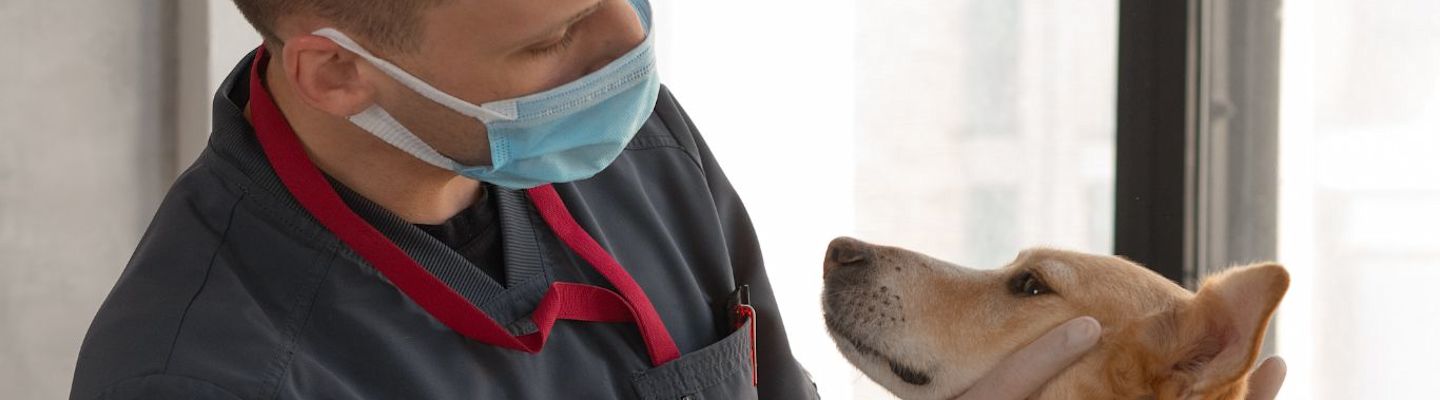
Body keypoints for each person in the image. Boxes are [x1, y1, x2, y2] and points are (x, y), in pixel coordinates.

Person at [69, 0, 1283, 399]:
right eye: (551, 40)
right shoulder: (201, 371)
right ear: (337, 71)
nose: (625, 51)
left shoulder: (632, 144)